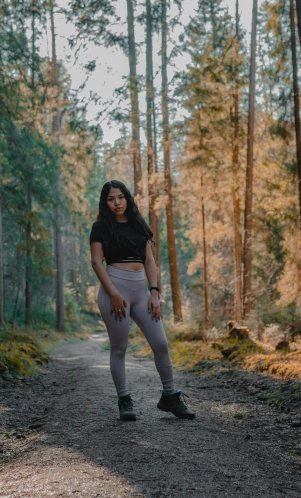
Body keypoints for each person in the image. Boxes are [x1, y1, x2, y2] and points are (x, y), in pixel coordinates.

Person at [90, 180, 195, 421]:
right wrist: (114, 294)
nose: (116, 202)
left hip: (141, 290)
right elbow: (97, 263)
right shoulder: (100, 227)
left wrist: (155, 293)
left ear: (127, 198)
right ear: (105, 203)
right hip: (114, 289)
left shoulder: (139, 225)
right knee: (119, 348)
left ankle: (170, 396)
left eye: (120, 197)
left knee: (161, 343)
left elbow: (149, 261)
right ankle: (124, 400)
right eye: (110, 199)